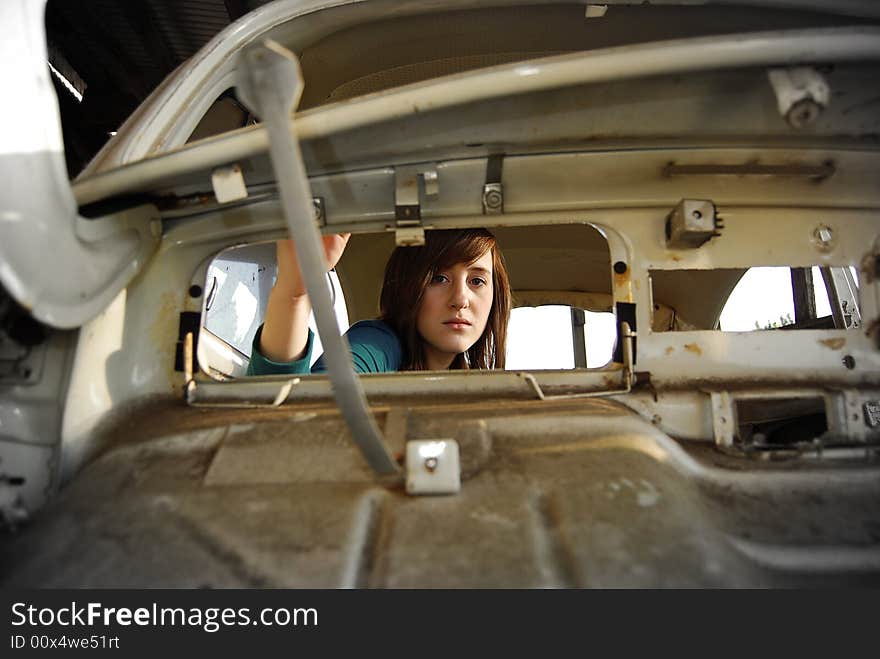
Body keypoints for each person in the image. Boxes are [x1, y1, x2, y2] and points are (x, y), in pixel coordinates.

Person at [247, 228, 511, 375]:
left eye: (477, 281)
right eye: (439, 278)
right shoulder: (378, 343)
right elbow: (310, 408)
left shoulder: (473, 381)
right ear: (410, 286)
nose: (460, 299)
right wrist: (295, 292)